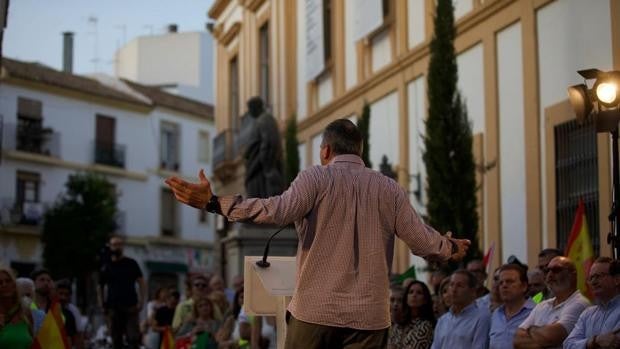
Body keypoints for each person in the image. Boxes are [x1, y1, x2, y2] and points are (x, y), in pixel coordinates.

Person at [165, 118, 470, 349]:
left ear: (325, 150)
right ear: (359, 152)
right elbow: (421, 240)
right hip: (369, 319)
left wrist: (215, 203)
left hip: (314, 314)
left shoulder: (315, 178)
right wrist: (449, 247)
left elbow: (276, 211)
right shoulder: (388, 188)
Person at [514, 256, 590, 349]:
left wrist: (530, 330)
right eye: (547, 271)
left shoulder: (579, 303)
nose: (549, 275)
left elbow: (552, 337)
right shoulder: (542, 305)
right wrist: (542, 339)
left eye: (556, 270)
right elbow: (517, 339)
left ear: (572, 274)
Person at [98, 234, 146, 349]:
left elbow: (141, 282)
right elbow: (100, 286)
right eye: (114, 245)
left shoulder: (131, 263)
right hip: (113, 307)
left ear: (123, 246)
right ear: (110, 246)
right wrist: (101, 303)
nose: (117, 247)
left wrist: (141, 300)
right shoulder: (106, 266)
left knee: (133, 338)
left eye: (119, 244)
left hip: (130, 306)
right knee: (116, 339)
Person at [564, 257, 620, 349]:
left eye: (598, 276)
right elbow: (568, 344)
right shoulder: (587, 314)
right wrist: (594, 341)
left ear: (617, 280)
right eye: (590, 278)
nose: (593, 282)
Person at [431, 270, 491, 349]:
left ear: (472, 291)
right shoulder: (443, 320)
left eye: (459, 286)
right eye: (451, 285)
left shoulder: (481, 318)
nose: (454, 290)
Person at [243, 96, 285, 198]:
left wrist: (267, 168)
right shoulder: (261, 121)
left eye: (250, 108)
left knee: (260, 204)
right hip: (256, 171)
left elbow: (270, 143)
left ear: (256, 107)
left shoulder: (265, 119)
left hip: (261, 172)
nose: (249, 112)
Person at [489, 264, 535, 349]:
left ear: (524, 286)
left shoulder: (536, 312)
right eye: (501, 283)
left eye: (510, 281)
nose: (504, 285)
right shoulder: (496, 314)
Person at [389, 281, 435, 349]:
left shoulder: (425, 326)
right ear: (406, 297)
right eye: (411, 292)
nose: (414, 295)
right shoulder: (398, 325)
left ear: (425, 300)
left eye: (419, 293)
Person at [0, 266, 33, 349]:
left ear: (14, 285)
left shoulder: (25, 312)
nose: (4, 284)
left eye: (8, 281)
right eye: (0, 282)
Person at [55, 279, 83, 349]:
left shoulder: (73, 311)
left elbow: (78, 335)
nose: (63, 297)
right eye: (60, 293)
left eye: (66, 294)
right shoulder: (49, 308)